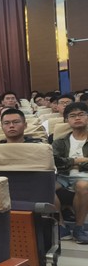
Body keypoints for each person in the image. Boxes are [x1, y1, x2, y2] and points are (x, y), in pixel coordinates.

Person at [53, 102, 88, 243]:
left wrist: (70, 162)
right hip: (63, 176)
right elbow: (55, 161)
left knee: (82, 185)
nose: (77, 118)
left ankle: (79, 228)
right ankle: (61, 226)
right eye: (72, 116)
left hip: (85, 177)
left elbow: (62, 161)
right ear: (67, 120)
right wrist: (78, 160)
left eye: (81, 114)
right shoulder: (60, 141)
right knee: (45, 187)